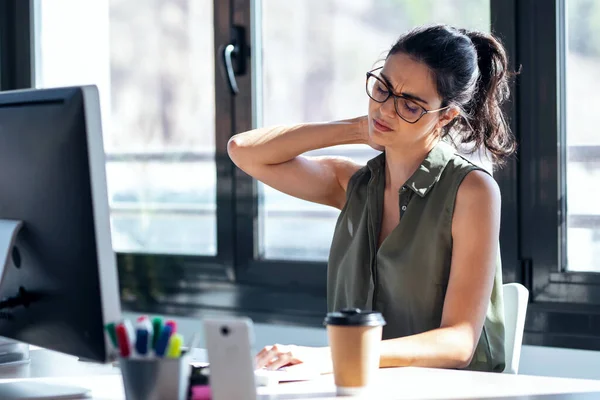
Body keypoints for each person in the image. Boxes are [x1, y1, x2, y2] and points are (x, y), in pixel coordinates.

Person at [227, 24, 516, 373]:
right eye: (383, 88)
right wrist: (356, 128)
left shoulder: (472, 191)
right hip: (359, 388)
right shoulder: (353, 183)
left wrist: (332, 357)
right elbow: (243, 151)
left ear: (446, 116)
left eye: (410, 105)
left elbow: (458, 343)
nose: (387, 110)